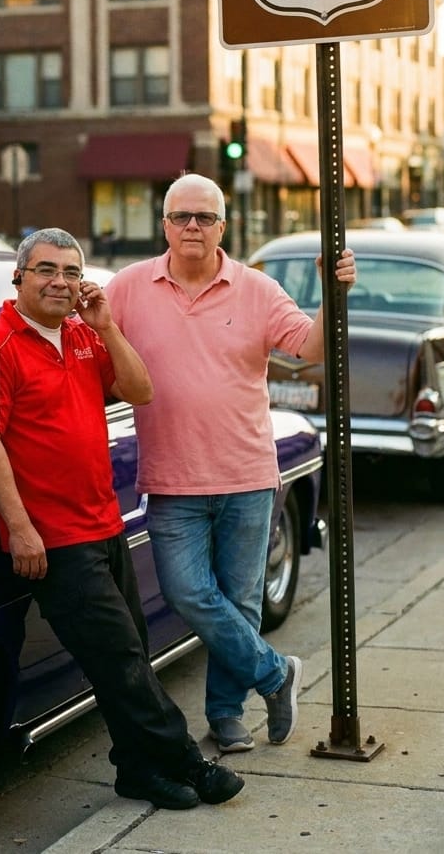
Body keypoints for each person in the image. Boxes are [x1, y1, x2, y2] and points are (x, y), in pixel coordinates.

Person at [0, 226, 244, 811]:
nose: (59, 282)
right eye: (45, 270)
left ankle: (137, 772)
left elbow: (140, 390)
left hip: (104, 523)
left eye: (70, 271)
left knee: (129, 654)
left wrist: (107, 325)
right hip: (54, 540)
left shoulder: (86, 337)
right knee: (118, 658)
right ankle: (187, 761)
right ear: (19, 277)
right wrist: (19, 528)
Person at [105, 174, 356, 754]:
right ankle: (276, 674)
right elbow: (87, 349)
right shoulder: (127, 288)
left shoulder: (257, 290)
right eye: (181, 216)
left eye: (205, 218)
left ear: (224, 226)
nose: (193, 226)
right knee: (188, 592)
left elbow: (312, 347)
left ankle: (225, 716)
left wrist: (331, 292)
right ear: (164, 224)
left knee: (240, 601)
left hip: (246, 475)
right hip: (171, 480)